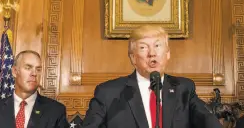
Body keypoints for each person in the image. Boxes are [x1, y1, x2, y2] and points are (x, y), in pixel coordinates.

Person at [82, 25, 222, 128]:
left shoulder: (184, 89)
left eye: (157, 46)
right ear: (133, 58)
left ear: (167, 54)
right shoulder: (109, 93)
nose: (152, 53)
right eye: (143, 47)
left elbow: (208, 122)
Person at [0, 50, 69, 128]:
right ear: (14, 71)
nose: (34, 73)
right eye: (28, 67)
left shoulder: (56, 110)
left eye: (38, 69)